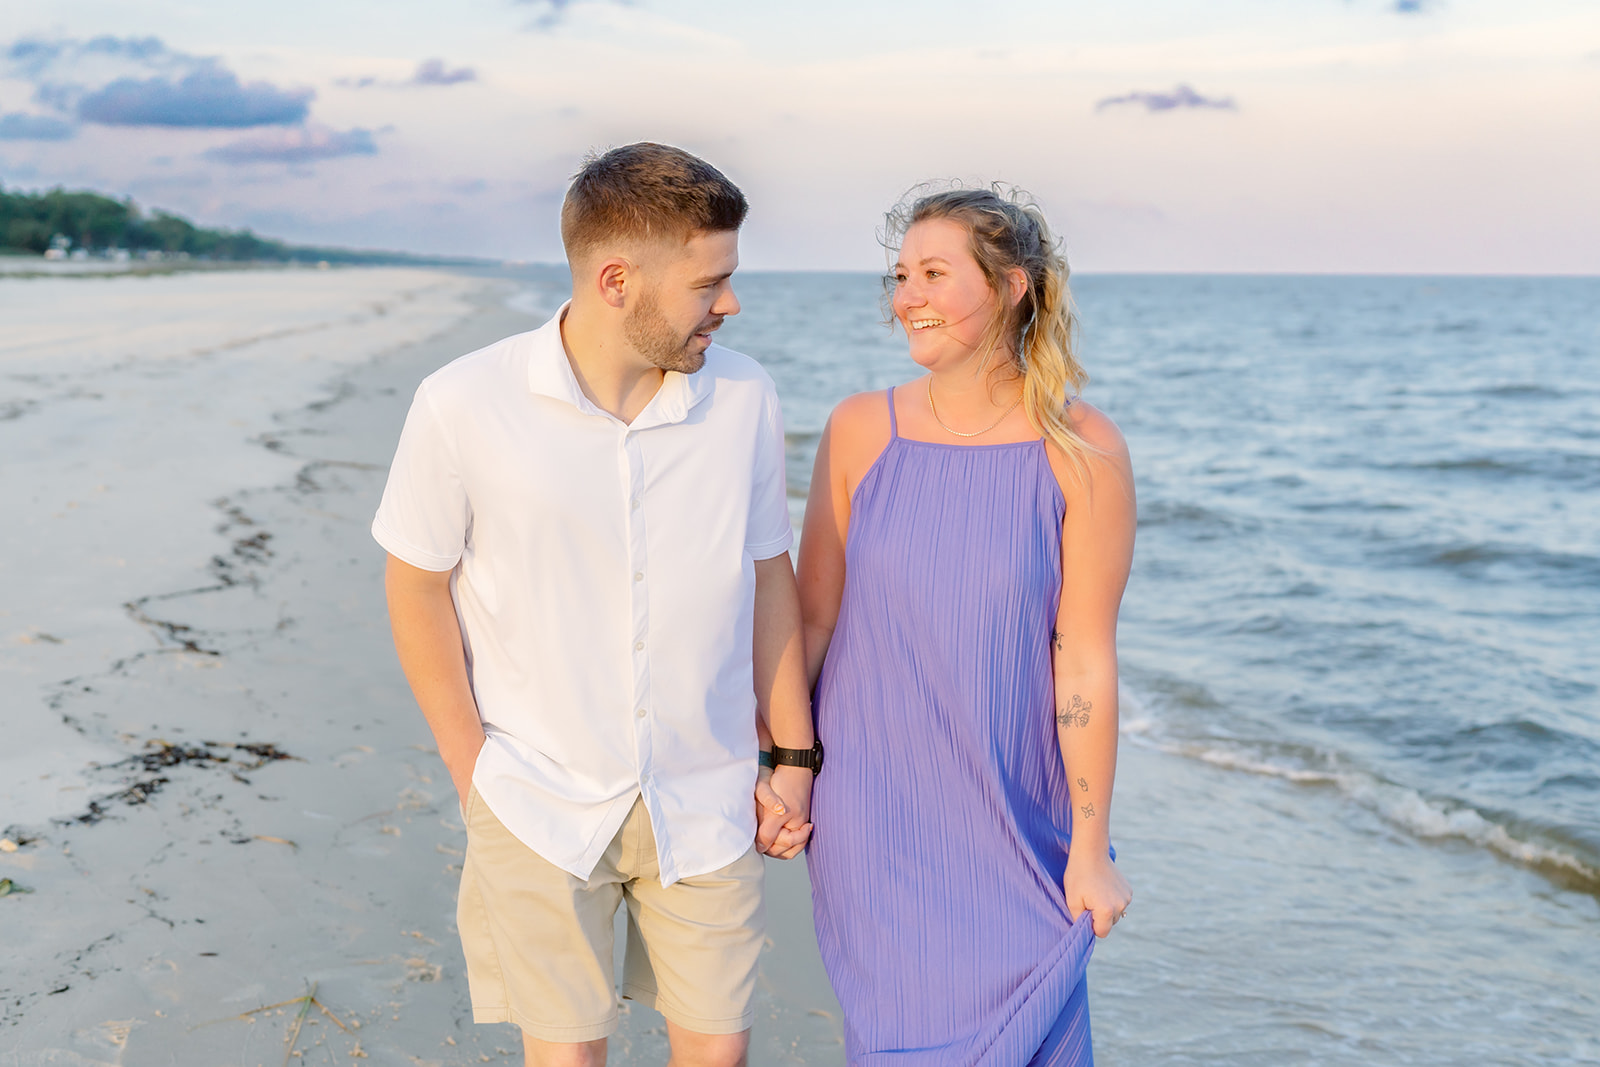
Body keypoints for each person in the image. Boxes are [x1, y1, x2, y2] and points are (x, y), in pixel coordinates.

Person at [373, 142, 815, 1067]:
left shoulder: (745, 396)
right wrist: (473, 770)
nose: (730, 304)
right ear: (617, 280)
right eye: (709, 283)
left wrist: (793, 757)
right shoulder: (462, 402)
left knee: (718, 1055)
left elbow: (770, 574)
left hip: (709, 795)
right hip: (536, 799)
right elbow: (416, 584)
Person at [796, 185, 1135, 1065]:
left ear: (1011, 286)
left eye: (934, 273)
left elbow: (1083, 662)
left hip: (1019, 822)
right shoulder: (860, 430)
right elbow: (811, 622)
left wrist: (1090, 848)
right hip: (873, 817)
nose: (907, 295)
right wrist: (782, 767)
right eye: (901, 275)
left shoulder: (1083, 448)